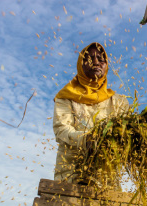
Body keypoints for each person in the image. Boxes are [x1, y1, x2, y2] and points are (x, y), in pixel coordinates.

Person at [53, 42, 129, 184]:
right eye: (90, 58)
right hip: (71, 174)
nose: (96, 62)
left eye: (101, 59)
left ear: (106, 65)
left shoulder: (118, 102)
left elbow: (125, 134)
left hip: (107, 177)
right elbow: (61, 129)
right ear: (81, 65)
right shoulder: (67, 97)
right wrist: (86, 140)